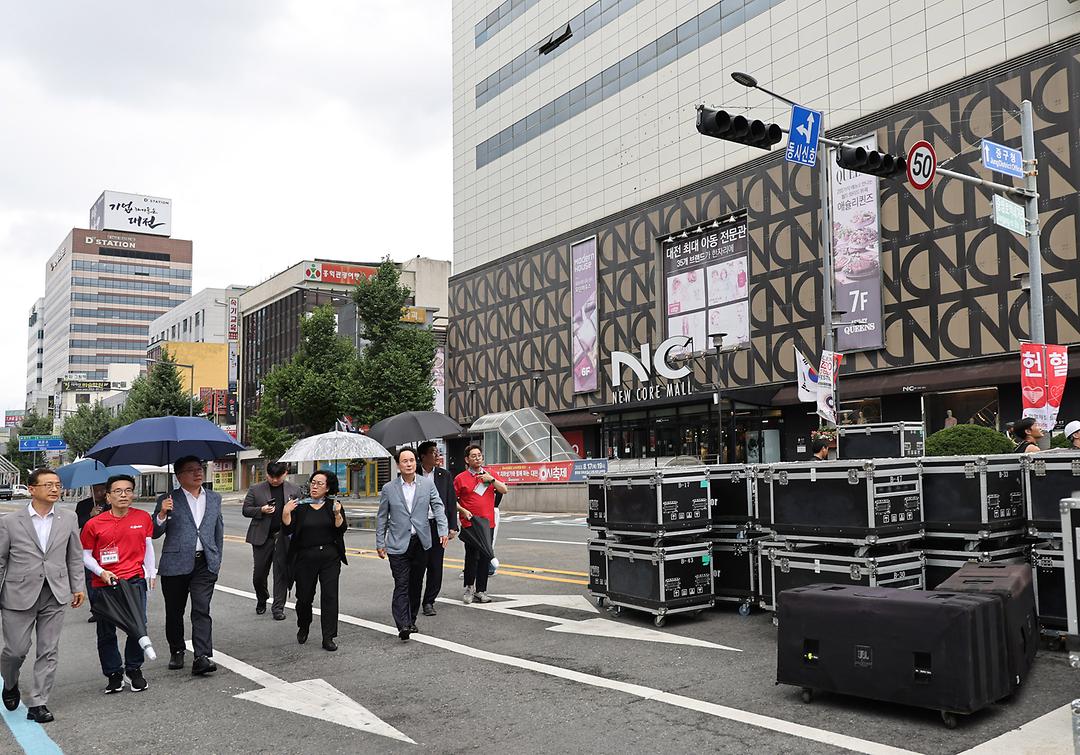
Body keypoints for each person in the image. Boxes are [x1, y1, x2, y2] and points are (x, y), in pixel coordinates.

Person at [0, 468, 85, 724]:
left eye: (57, 485)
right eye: (48, 485)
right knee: (15, 651)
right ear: (32, 489)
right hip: (17, 594)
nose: (55, 489)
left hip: (55, 592)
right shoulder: (10, 522)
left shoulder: (68, 518)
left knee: (48, 650)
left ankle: (39, 702)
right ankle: (11, 683)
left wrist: (77, 585)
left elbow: (75, 555)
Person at [80, 475, 155, 694]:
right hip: (103, 583)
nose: (124, 495)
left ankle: (134, 669)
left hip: (133, 580)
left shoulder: (142, 517)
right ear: (109, 495)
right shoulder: (94, 524)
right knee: (106, 631)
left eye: (128, 490)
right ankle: (113, 673)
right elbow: (84, 555)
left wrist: (151, 573)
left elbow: (148, 546)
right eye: (118, 491)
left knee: (137, 624)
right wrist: (101, 572)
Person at [152, 456, 224, 676]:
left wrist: (216, 558)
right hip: (175, 564)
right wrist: (162, 513)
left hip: (204, 563)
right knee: (175, 611)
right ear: (179, 476)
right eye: (191, 470)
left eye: (200, 469)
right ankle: (177, 649)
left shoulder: (214, 498)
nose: (198, 473)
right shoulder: (168, 499)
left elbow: (217, 530)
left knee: (202, 608)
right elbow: (154, 532)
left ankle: (202, 656)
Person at [376, 448, 448, 641]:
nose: (408, 464)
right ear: (398, 465)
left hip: (421, 542)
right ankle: (403, 624)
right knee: (401, 583)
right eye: (404, 461)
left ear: (415, 463)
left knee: (416, 583)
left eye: (411, 460)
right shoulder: (389, 488)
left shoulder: (426, 485)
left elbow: (438, 506)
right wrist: (379, 541)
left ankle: (411, 619)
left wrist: (442, 530)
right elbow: (382, 516)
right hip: (397, 544)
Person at [283, 470, 348, 651]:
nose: (315, 486)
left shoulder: (333, 505)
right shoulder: (301, 506)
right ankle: (303, 625)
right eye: (313, 482)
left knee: (330, 596)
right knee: (304, 598)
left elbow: (340, 529)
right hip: (305, 557)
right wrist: (286, 513)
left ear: (327, 487)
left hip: (329, 557)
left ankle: (328, 636)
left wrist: (337, 514)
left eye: (320, 483)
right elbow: (288, 531)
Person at [242, 461, 301, 620]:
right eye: (271, 476)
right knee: (259, 574)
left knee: (281, 573)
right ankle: (262, 597)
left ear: (285, 473)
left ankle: (278, 608)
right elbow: (246, 510)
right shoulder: (256, 489)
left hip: (284, 537)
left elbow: (301, 512)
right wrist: (261, 510)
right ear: (266, 474)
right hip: (263, 536)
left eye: (278, 477)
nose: (274, 480)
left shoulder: (294, 489)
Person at [453, 444, 507, 605]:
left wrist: (491, 480)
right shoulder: (460, 478)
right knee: (472, 557)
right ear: (467, 459)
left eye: (479, 455)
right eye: (473, 456)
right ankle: (469, 587)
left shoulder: (490, 475)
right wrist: (462, 510)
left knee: (485, 556)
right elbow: (451, 500)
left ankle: (481, 590)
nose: (477, 458)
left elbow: (504, 489)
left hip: (488, 523)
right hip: (470, 523)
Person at [417, 441, 458, 617]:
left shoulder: (444, 475)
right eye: (433, 452)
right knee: (418, 565)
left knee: (436, 566)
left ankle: (429, 601)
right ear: (423, 456)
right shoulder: (413, 474)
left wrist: (452, 525)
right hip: (418, 527)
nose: (437, 455)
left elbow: (450, 500)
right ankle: (412, 599)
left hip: (437, 526)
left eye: (437, 452)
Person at [75, 483, 109, 622]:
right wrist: (90, 515)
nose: (99, 492)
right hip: (89, 546)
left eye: (102, 489)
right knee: (91, 579)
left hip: (107, 546)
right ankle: (96, 609)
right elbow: (76, 523)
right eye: (96, 490)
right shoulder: (84, 505)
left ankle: (111, 609)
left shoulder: (112, 503)